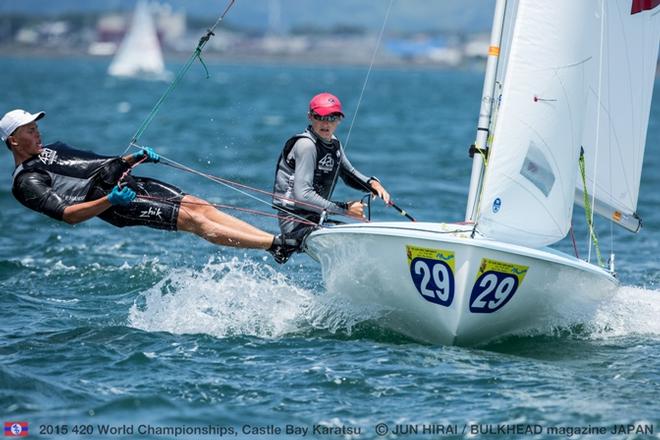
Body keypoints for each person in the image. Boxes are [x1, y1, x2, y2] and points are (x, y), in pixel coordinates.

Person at [2, 108, 297, 260]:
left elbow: (96, 165)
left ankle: (274, 245)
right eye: (30, 130)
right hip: (117, 203)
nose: (37, 133)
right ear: (13, 140)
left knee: (198, 205)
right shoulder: (26, 181)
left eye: (37, 127)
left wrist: (134, 157)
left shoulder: (49, 149)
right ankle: (275, 244)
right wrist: (111, 201)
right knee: (192, 220)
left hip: (128, 181)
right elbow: (69, 215)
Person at [272, 92, 390, 262]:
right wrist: (345, 209)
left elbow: (349, 174)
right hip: (294, 223)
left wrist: (372, 184)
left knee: (363, 241)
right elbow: (302, 195)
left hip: (315, 218)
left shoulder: (333, 143)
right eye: (320, 117)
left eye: (332, 117)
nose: (326, 123)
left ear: (339, 120)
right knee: (349, 248)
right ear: (310, 117)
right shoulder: (306, 145)